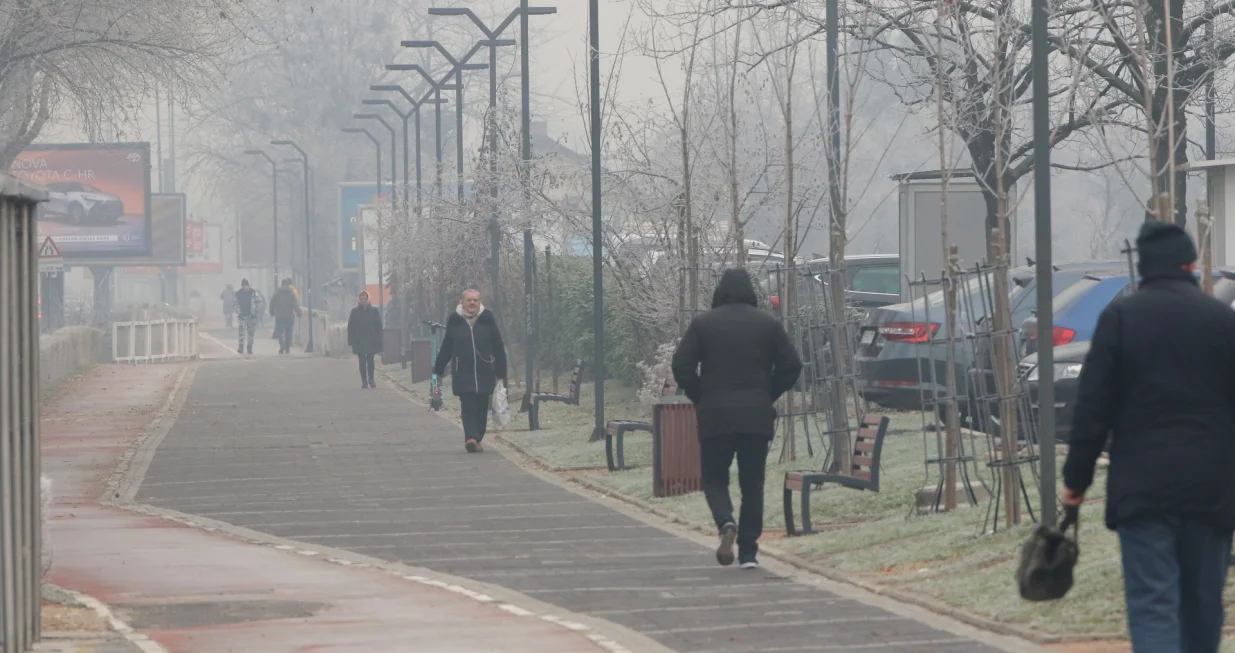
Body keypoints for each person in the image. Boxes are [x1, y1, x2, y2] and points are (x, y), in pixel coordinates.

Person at [1063, 220, 1235, 653]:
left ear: (1144, 267)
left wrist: (1076, 482)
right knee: (1203, 605)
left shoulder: (1121, 318)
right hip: (1211, 489)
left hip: (1143, 489)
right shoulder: (1221, 320)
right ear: (1190, 264)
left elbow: (1092, 409)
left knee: (1152, 603)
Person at [671, 268, 801, 569]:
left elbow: (682, 366)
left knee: (714, 479)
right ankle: (749, 552)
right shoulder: (767, 324)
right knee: (752, 484)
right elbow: (792, 365)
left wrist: (700, 395)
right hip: (756, 416)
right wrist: (768, 393)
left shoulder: (703, 324)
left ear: (720, 292)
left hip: (715, 415)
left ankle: (726, 521)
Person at [433, 289, 507, 453]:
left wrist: (501, 370)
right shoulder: (455, 321)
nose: (472, 303)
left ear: (480, 302)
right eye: (469, 300)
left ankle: (477, 438)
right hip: (463, 372)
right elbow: (447, 346)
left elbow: (498, 346)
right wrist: (439, 368)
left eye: (475, 300)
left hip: (484, 372)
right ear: (462, 302)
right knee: (468, 406)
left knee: (481, 408)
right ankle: (471, 438)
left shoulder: (487, 319)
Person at [347, 290, 383, 389]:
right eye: (361, 299)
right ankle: (364, 381)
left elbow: (379, 326)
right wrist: (351, 341)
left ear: (368, 299)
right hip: (359, 341)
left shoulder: (374, 311)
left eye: (365, 299)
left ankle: (371, 378)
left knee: (370, 361)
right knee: (362, 361)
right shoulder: (354, 312)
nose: (363, 300)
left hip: (371, 340)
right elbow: (350, 327)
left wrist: (379, 340)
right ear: (359, 300)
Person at [269, 278, 302, 354]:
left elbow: (272, 303)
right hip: (289, 315)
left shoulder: (277, 293)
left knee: (280, 331)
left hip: (279, 316)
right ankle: (287, 347)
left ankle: (282, 344)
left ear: (282, 284)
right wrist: (298, 312)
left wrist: (272, 312)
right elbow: (294, 303)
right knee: (288, 332)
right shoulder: (291, 293)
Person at [233, 279, 264, 355]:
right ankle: (241, 347)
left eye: (246, 285)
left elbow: (260, 302)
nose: (245, 287)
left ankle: (249, 347)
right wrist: (239, 312)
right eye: (244, 286)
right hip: (242, 316)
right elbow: (234, 304)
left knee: (251, 333)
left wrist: (255, 311)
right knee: (241, 332)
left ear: (248, 285)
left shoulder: (254, 293)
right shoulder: (238, 294)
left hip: (251, 316)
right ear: (242, 286)